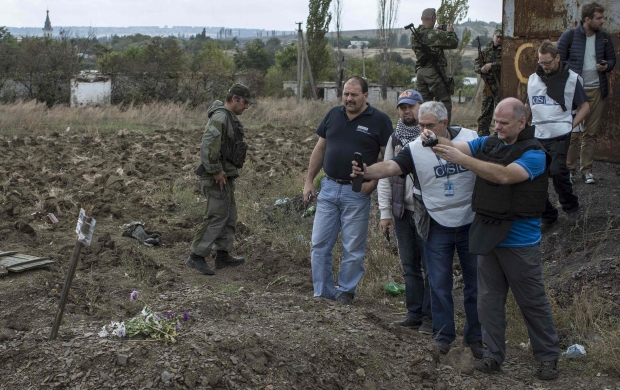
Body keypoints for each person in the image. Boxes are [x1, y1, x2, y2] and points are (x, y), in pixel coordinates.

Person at [423, 98, 560, 381]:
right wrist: (437, 140)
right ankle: (492, 356)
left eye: (504, 122)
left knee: (532, 303)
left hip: (520, 243)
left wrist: (462, 160)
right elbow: (456, 147)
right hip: (488, 237)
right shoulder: (488, 143)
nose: (497, 126)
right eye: (495, 121)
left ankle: (547, 358)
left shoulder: (534, 154)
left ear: (522, 123)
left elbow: (505, 176)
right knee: (488, 302)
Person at [352, 101, 482, 358]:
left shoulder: (470, 139)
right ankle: (443, 335)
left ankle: (476, 338)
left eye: (430, 125)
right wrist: (367, 171)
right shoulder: (415, 148)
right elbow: (391, 166)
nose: (424, 131)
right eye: (422, 125)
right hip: (436, 223)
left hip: (470, 222)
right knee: (438, 282)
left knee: (475, 284)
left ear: (445, 123)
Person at [304, 76, 393, 305]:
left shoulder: (380, 120)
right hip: (329, 188)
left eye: (354, 94)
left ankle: (346, 292)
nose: (349, 98)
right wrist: (309, 180)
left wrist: (372, 184)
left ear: (366, 95)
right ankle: (322, 293)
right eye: (346, 94)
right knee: (319, 244)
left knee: (352, 247)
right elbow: (320, 148)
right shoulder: (333, 115)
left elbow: (389, 158)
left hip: (356, 192)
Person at [377, 90, 432, 334]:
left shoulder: (430, 136)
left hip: (427, 213)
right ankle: (414, 313)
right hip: (402, 212)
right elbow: (384, 175)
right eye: (402, 107)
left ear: (421, 107)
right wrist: (385, 213)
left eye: (411, 106)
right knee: (410, 265)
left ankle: (431, 317)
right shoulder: (394, 138)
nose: (406, 111)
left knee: (431, 267)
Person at [187, 84, 253, 275]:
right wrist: (216, 171)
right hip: (215, 177)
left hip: (225, 176)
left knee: (229, 214)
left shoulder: (227, 117)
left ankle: (222, 254)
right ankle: (196, 256)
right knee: (216, 215)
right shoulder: (220, 117)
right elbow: (208, 147)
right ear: (234, 98)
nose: (246, 107)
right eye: (245, 102)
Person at [525, 40, 589, 225]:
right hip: (538, 133)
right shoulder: (533, 80)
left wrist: (571, 125)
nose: (544, 67)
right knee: (535, 176)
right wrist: (522, 123)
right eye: (541, 63)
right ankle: (548, 214)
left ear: (558, 58)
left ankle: (571, 207)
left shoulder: (572, 79)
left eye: (548, 63)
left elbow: (585, 107)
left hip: (560, 133)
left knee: (558, 172)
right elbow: (528, 105)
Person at [558, 2, 616, 184]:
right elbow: (559, 61)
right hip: (575, 92)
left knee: (590, 133)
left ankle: (587, 170)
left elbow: (612, 59)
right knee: (573, 133)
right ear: (587, 19)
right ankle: (569, 169)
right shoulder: (570, 35)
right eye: (599, 18)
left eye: (602, 17)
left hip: (597, 90)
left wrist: (606, 66)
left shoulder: (604, 37)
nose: (602, 21)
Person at [412, 8, 458, 124]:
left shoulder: (415, 34)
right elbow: (453, 42)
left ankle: (423, 128)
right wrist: (450, 31)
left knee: (424, 105)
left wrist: (437, 33)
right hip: (433, 73)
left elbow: (430, 41)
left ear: (422, 19)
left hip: (420, 72)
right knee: (444, 102)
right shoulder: (434, 34)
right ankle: (445, 130)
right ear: (433, 18)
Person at [474, 27, 502, 136]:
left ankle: (498, 133)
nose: (499, 39)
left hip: (499, 85)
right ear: (493, 36)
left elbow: (506, 64)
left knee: (500, 110)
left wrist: (491, 65)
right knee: (485, 111)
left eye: (501, 37)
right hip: (488, 84)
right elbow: (476, 64)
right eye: (497, 36)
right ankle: (482, 133)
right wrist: (481, 69)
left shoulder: (505, 51)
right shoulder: (486, 51)